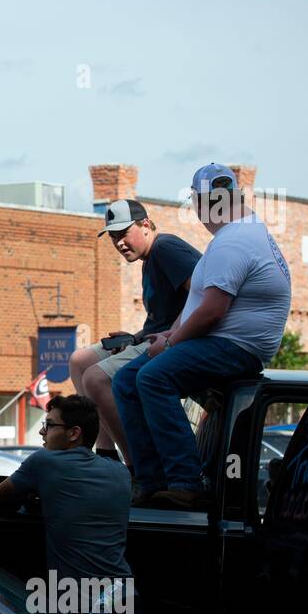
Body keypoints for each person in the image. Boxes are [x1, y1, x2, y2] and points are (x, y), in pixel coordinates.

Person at [113, 163, 292, 509]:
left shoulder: (234, 242)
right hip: (221, 341)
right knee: (125, 381)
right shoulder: (239, 234)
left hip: (236, 347)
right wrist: (170, 332)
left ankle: (185, 482)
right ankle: (151, 481)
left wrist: (170, 343)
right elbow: (199, 300)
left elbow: (212, 312)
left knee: (152, 379)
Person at [68, 199, 201, 469]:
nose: (119, 243)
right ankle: (105, 453)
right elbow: (160, 319)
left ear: (146, 225)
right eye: (113, 237)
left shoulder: (166, 248)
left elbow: (203, 292)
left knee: (96, 378)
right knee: (80, 360)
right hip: (151, 338)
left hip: (178, 343)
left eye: (123, 234)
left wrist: (172, 335)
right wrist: (135, 338)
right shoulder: (148, 261)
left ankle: (138, 468)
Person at [0, 394, 133, 584]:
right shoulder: (120, 471)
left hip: (79, 599)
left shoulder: (44, 461)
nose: (42, 431)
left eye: (49, 425)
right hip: (125, 593)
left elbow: (0, 498)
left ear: (74, 433)